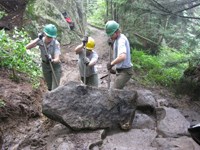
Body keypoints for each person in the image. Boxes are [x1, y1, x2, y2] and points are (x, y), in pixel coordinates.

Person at [26, 24, 62, 91]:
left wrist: (51, 60)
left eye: (51, 37)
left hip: (55, 66)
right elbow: (27, 47)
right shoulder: (40, 40)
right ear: (44, 34)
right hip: (45, 65)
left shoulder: (56, 43)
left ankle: (55, 99)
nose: (49, 38)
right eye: (48, 36)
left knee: (55, 88)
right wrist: (38, 39)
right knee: (49, 86)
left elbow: (57, 59)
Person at [105, 20, 133, 89]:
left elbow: (122, 56)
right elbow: (117, 53)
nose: (110, 37)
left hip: (125, 71)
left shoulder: (121, 40)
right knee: (118, 90)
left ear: (117, 32)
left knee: (114, 90)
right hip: (120, 69)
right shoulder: (117, 39)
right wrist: (112, 45)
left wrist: (112, 64)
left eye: (111, 34)